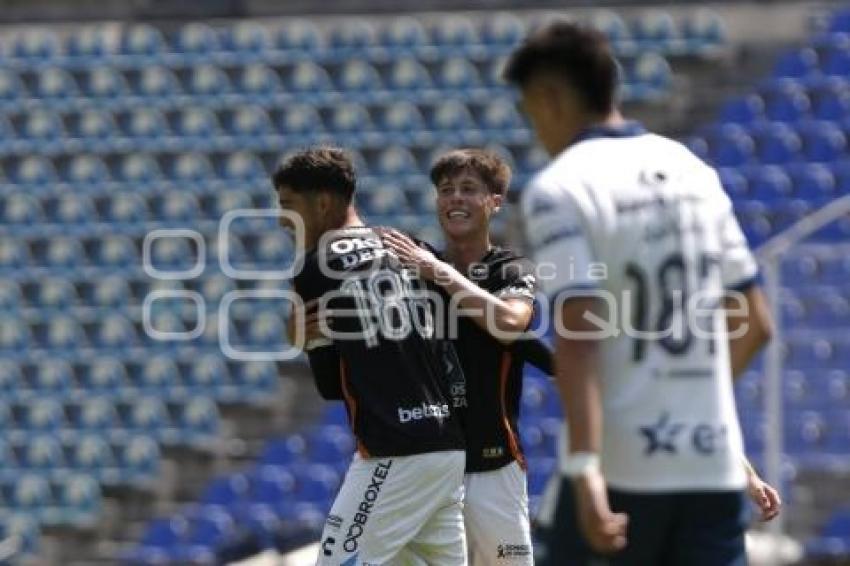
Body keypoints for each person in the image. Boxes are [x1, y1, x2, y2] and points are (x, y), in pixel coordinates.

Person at [502, 22, 781, 565]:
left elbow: (578, 336)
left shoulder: (560, 189)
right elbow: (756, 321)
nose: (533, 127)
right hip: (711, 467)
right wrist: (688, 409)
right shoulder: (693, 171)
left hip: (620, 468)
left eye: (528, 110)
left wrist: (585, 469)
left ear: (550, 98)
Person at [274, 147, 468, 566]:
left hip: (395, 450)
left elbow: (329, 387)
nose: (280, 220)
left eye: (288, 207)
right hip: (447, 446)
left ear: (323, 203)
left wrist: (302, 340)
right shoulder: (409, 247)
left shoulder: (316, 268)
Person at [381, 148, 552, 565]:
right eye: (446, 190)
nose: (455, 198)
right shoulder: (414, 267)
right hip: (423, 468)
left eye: (468, 189)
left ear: (494, 203)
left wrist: (439, 274)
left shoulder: (510, 268)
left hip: (491, 464)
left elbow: (510, 322)